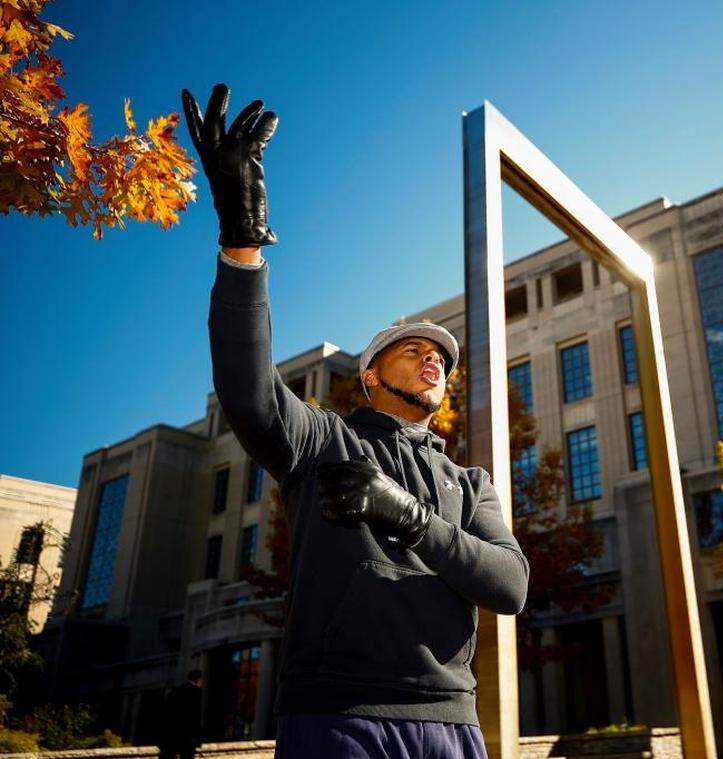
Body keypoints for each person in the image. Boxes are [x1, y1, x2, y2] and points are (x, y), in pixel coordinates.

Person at [181, 83, 529, 759]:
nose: (433, 358)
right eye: (413, 350)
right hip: (338, 714)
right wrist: (242, 247)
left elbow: (509, 585)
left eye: (441, 356)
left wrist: (410, 517)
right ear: (369, 376)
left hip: (453, 722)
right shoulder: (321, 440)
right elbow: (248, 390)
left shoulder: (470, 483)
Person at [158, 669, 203, 759]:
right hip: (187, 736)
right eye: (201, 680)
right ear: (197, 679)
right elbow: (195, 716)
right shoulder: (195, 692)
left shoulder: (176, 690)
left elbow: (165, 711)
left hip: (171, 734)